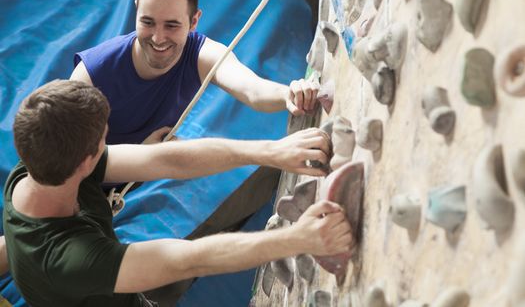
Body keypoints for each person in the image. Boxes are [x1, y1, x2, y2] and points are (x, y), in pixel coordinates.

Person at [3, 80, 352, 306]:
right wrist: (301, 238)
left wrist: (269, 150)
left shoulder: (38, 163)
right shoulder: (70, 259)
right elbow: (189, 259)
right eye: (103, 140)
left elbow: (164, 159)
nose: (107, 144)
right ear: (85, 161)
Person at [70, 0, 320, 146]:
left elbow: (252, 90)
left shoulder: (201, 54)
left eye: (172, 25)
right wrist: (141, 153)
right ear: (136, 11)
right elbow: (68, 158)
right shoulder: (93, 73)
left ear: (194, 21)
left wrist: (290, 93)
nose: (158, 38)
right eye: (148, 22)